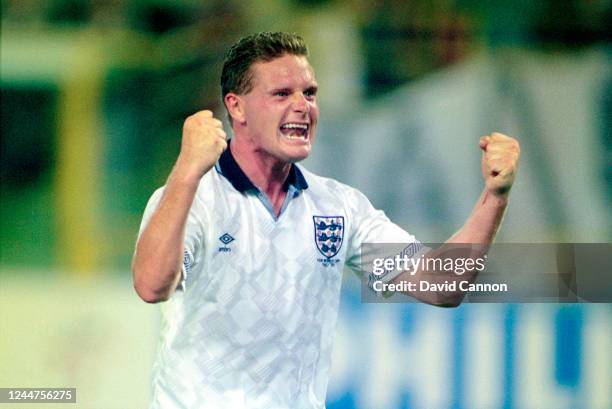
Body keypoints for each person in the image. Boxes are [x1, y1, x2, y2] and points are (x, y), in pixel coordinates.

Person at [132, 32, 520, 409]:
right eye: (282, 94)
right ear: (236, 107)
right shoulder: (194, 198)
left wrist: (494, 196)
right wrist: (186, 170)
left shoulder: (338, 207)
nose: (303, 106)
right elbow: (151, 284)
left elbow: (442, 284)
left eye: (310, 93)